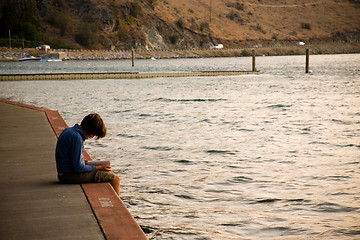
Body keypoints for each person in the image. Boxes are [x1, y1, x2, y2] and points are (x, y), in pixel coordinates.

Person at [55, 113, 120, 196]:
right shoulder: (76, 138)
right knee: (114, 179)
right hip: (67, 176)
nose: (92, 137)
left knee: (105, 171)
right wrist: (99, 167)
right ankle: (117, 206)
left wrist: (91, 164)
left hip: (64, 172)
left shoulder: (70, 131)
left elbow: (74, 161)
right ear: (91, 130)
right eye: (94, 134)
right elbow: (78, 168)